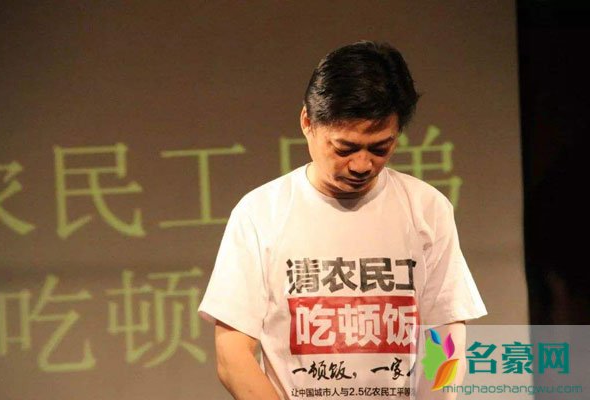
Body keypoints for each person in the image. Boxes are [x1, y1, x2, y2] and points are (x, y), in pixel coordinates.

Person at [198, 40, 487, 400]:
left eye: (380, 148)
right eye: (344, 148)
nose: (362, 165)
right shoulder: (260, 213)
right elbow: (233, 356)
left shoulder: (427, 209)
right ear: (307, 122)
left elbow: (444, 334)